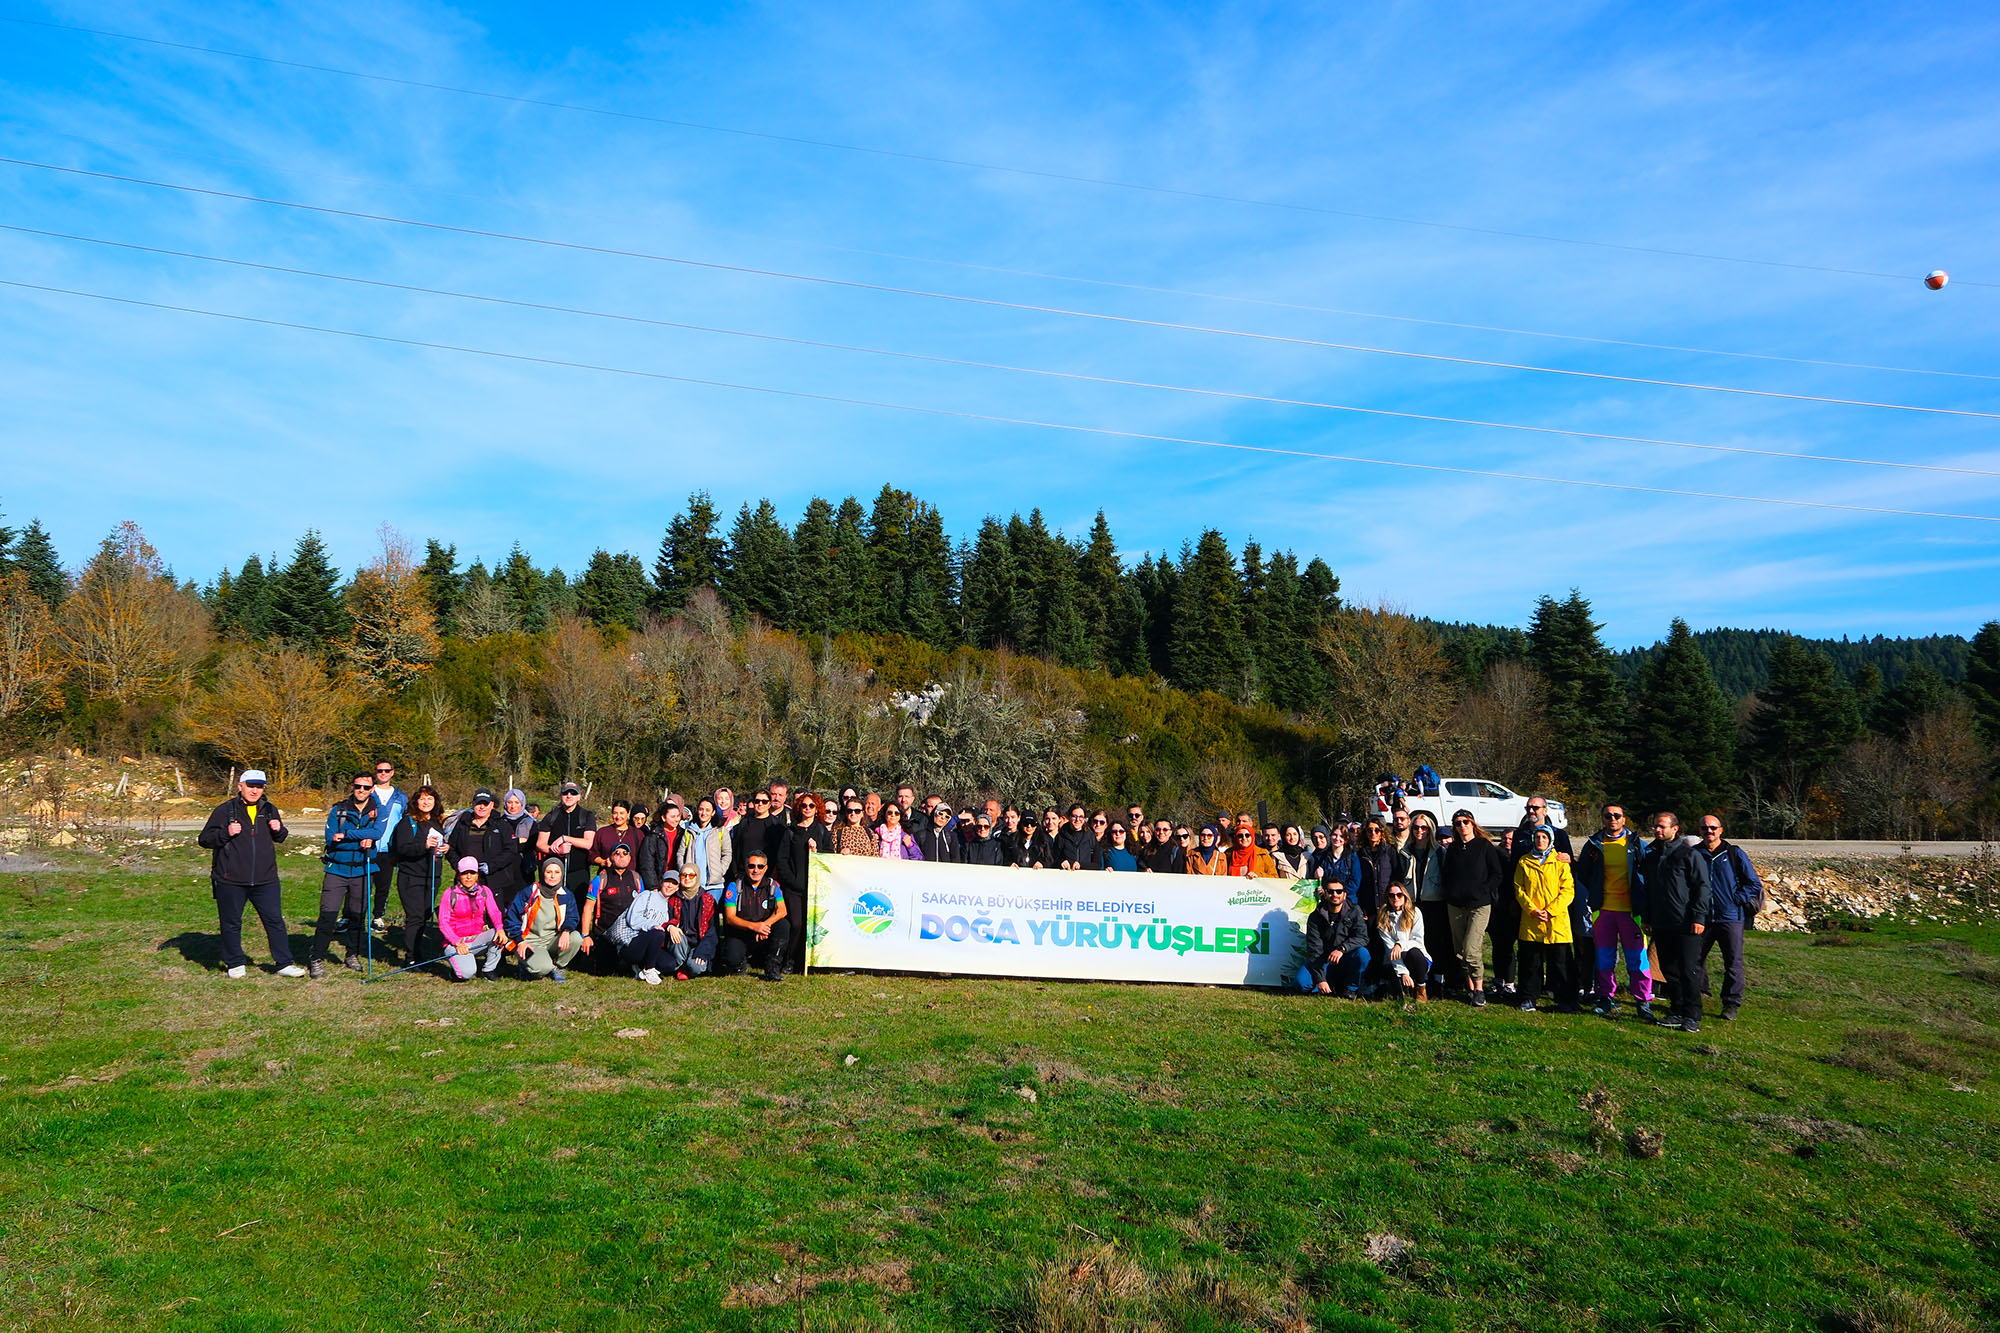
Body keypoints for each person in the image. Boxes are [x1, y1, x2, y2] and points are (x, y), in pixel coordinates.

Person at [196, 770, 306, 979]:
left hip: (266, 879)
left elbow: (280, 837)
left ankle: (284, 963)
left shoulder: (269, 809)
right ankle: (235, 963)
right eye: (251, 785)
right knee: (231, 922)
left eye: (259, 786)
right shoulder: (225, 810)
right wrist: (226, 833)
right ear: (240, 786)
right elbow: (204, 839)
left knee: (275, 921)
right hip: (231, 879)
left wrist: (279, 829)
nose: (255, 790)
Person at [1576, 804, 1654, 1020]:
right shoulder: (1593, 845)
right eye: (1608, 815)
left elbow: (1648, 871)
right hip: (1604, 911)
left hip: (1632, 912)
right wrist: (1595, 894)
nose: (1612, 819)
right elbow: (1583, 872)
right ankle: (1605, 997)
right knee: (1604, 958)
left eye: (1616, 815)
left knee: (1638, 959)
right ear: (1602, 819)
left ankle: (1643, 1000)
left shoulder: (1637, 844)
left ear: (1624, 819)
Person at [311, 770, 388, 976]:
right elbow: (330, 839)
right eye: (357, 786)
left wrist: (345, 835)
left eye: (366, 787)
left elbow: (377, 834)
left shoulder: (378, 810)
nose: (361, 790)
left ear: (372, 789)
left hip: (364, 870)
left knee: (357, 916)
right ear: (352, 787)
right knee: (328, 915)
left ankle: (352, 954)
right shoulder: (338, 810)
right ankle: (317, 956)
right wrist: (359, 840)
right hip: (337, 869)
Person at [1640, 812, 1711, 1033]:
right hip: (1662, 923)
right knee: (1669, 970)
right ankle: (1677, 1009)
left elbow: (1702, 887)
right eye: (1655, 827)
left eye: (1662, 827)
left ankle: (1692, 1015)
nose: (1658, 830)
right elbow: (1648, 889)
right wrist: (1648, 917)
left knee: (1688, 970)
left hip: (1686, 923)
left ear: (1675, 829)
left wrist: (1698, 917)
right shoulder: (1651, 856)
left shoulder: (1688, 855)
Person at [1498, 796, 1572, 1000]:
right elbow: (1516, 875)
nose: (1531, 811)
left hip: (1555, 913)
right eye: (1528, 807)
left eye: (1536, 807)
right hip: (1529, 909)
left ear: (1545, 810)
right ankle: (1530, 994)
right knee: (1530, 957)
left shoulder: (1559, 834)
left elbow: (1568, 872)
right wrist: (1526, 905)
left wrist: (1552, 910)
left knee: (1559, 959)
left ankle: (1561, 994)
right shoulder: (1521, 834)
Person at [1696, 815, 1761, 1021]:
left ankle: (1731, 1003)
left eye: (1713, 827)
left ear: (1721, 830)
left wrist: (1735, 899)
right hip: (1702, 917)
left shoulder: (1734, 853)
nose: (1709, 831)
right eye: (1705, 828)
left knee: (1733, 962)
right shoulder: (1694, 854)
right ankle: (1697, 995)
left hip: (1730, 917)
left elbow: (1753, 884)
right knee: (1694, 959)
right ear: (1700, 831)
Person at [1513, 826, 1579, 1013]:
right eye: (1537, 837)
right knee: (1530, 962)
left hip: (1556, 921)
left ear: (1550, 840)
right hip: (1531, 920)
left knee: (1561, 963)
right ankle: (1528, 997)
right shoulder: (1524, 861)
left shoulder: (1560, 861)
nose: (1540, 840)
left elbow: (1567, 891)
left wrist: (1550, 911)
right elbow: (1519, 888)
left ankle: (1566, 999)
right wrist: (1532, 909)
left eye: (1544, 837)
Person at [1442, 811, 1504, 1007]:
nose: (1462, 826)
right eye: (1458, 823)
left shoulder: (1484, 846)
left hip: (1479, 905)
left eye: (1465, 822)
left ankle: (1479, 989)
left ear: (1472, 823)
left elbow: (1497, 874)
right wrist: (1450, 892)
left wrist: (1482, 890)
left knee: (1471, 949)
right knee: (1460, 950)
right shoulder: (1453, 848)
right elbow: (1447, 873)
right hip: (1456, 905)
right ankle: (1470, 989)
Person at [388, 783, 449, 965]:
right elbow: (402, 848)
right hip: (411, 876)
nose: (426, 802)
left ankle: (419, 952)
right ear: (416, 801)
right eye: (422, 798)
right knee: (415, 916)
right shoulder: (408, 822)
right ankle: (411, 958)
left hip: (432, 876)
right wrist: (423, 846)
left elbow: (437, 846)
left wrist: (444, 848)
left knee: (424, 915)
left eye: (430, 798)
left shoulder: (437, 822)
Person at [612, 863, 692, 984]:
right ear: (661, 882)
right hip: (631, 941)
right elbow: (632, 920)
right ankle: (649, 969)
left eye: (674, 883)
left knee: (670, 964)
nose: (669, 886)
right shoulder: (647, 895)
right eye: (667, 882)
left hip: (651, 946)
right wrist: (652, 926)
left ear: (677, 887)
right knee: (657, 933)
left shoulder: (670, 907)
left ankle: (640, 968)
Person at [506, 857, 582, 982]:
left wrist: (566, 931)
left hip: (552, 939)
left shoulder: (566, 895)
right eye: (549, 872)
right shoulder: (529, 893)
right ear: (542, 873)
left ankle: (557, 967)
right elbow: (511, 918)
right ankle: (529, 965)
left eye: (557, 872)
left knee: (576, 938)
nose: (553, 876)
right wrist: (519, 941)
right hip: (530, 941)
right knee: (542, 969)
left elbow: (572, 917)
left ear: (562, 874)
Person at [447, 789, 525, 906]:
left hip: (494, 880)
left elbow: (510, 850)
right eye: (479, 803)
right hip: (467, 879)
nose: (482, 807)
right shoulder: (462, 824)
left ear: (492, 805)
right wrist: (459, 866)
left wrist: (491, 866)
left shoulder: (501, 825)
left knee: (493, 917)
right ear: (473, 804)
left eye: (486, 804)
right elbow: (451, 848)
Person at [719, 853, 790, 981]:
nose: (756, 870)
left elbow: (782, 911)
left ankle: (772, 967)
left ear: (766, 868)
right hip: (742, 932)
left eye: (760, 866)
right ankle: (740, 964)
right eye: (752, 866)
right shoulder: (734, 886)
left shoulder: (773, 886)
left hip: (764, 932)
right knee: (732, 958)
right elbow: (730, 918)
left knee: (783, 925)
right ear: (746, 867)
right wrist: (754, 926)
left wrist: (765, 925)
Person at [438, 856, 506, 981]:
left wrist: (500, 928)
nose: (468, 877)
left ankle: (488, 970)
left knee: (498, 934)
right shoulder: (450, 893)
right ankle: (455, 972)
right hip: (455, 942)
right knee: (467, 974)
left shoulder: (484, 891)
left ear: (477, 875)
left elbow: (495, 912)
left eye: (472, 873)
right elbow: (443, 923)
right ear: (459, 875)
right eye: (464, 873)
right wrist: (457, 942)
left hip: (476, 939)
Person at [579, 842, 643, 974]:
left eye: (625, 853)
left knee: (627, 968)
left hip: (629, 932)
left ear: (630, 858)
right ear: (611, 858)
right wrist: (585, 935)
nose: (621, 856)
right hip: (605, 934)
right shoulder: (600, 879)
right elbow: (588, 908)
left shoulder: (636, 878)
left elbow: (643, 906)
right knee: (605, 971)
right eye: (617, 853)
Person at [1298, 880, 1369, 996]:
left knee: (1363, 954)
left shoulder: (1355, 911)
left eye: (1339, 891)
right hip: (1324, 960)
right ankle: (1327, 984)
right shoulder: (1315, 916)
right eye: (1330, 891)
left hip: (1346, 957)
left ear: (1344, 895)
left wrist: (1342, 948)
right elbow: (1314, 949)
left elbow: (1363, 938)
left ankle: (1350, 988)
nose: (1335, 895)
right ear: (1325, 894)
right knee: (1301, 984)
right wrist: (1321, 979)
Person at [1405, 813, 1449, 996]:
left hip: (1434, 903)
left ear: (1430, 829)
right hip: (1413, 904)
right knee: (1414, 942)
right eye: (1416, 827)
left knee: (1435, 943)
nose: (1419, 831)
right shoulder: (1405, 852)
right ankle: (1417, 979)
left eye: (1424, 828)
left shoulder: (1439, 852)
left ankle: (1437, 981)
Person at [366, 759, 406, 930]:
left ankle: (378, 916)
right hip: (367, 846)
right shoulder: (367, 792)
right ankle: (351, 916)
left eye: (386, 770)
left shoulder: (400, 797)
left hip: (388, 850)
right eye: (379, 770)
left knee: (383, 885)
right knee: (361, 884)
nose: (383, 773)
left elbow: (404, 821)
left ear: (392, 772)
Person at [1376, 883, 1431, 1002]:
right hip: (1395, 961)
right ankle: (1403, 986)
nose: (1395, 898)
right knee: (1397, 994)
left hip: (1417, 957)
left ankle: (1421, 987)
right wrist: (1403, 972)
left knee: (1413, 953)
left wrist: (1400, 944)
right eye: (1392, 895)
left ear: (1405, 897)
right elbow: (1390, 949)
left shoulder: (1415, 913)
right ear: (1388, 898)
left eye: (1399, 895)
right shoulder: (1383, 919)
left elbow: (1417, 941)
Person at [536, 782, 598, 886]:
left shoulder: (587, 816)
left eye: (573, 793)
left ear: (579, 797)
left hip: (579, 872)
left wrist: (565, 838)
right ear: (561, 796)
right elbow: (540, 844)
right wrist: (556, 851)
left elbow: (588, 843)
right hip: (554, 873)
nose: (569, 796)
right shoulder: (551, 816)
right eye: (565, 793)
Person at [637, 797, 696, 894]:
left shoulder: (683, 834)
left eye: (678, 816)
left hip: (677, 879)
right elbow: (647, 863)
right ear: (664, 818)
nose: (676, 819)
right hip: (659, 881)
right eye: (673, 817)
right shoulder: (653, 836)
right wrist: (653, 886)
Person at [688, 796, 734, 899]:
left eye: (708, 810)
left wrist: (720, 871)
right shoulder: (690, 831)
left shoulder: (720, 831)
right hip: (692, 884)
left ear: (713, 812)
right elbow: (680, 853)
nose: (704, 813)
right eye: (701, 809)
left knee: (710, 915)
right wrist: (685, 872)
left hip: (714, 886)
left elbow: (727, 853)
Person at [732, 789, 780, 869]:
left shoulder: (776, 825)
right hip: (744, 872)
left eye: (764, 801)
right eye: (757, 801)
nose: (760, 804)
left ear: (769, 804)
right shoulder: (744, 824)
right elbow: (736, 848)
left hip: (768, 874)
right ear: (753, 803)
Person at [592, 799, 643, 869]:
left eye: (622, 813)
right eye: (615, 813)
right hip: (607, 876)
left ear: (628, 814)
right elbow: (592, 854)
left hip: (630, 877)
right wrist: (602, 862)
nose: (618, 817)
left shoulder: (638, 834)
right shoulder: (602, 832)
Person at [1055, 805, 1103, 871]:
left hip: (1085, 878)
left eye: (1081, 817)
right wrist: (1061, 862)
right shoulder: (1061, 836)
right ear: (1069, 817)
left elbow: (1097, 864)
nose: (1077, 820)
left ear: (1084, 818)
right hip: (1066, 877)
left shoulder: (1091, 837)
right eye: (1074, 816)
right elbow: (1053, 859)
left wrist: (1081, 865)